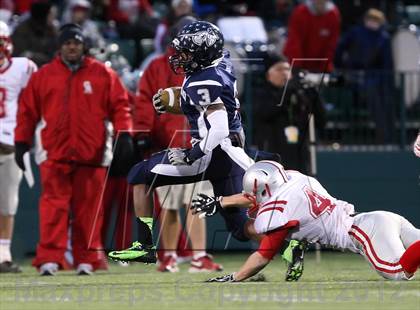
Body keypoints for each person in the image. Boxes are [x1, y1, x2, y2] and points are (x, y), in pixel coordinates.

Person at [108, 21, 306, 281]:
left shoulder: (203, 80)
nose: (181, 57)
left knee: (138, 174)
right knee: (238, 227)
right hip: (230, 153)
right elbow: (208, 105)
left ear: (202, 52)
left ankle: (145, 245)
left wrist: (193, 153)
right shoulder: (220, 62)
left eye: (187, 52)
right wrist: (182, 102)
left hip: (212, 153)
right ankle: (289, 244)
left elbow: (219, 127)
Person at [14, 23, 134, 276]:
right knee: (52, 210)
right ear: (60, 46)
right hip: (54, 153)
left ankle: (87, 259)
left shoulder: (103, 74)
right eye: (68, 43)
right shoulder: (44, 76)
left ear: (83, 46)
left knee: (88, 212)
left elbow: (121, 106)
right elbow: (27, 112)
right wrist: (21, 141)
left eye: (76, 43)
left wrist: (125, 134)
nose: (72, 47)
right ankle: (49, 258)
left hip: (92, 153)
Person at [111, 16, 222, 273]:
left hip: (199, 143)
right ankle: (170, 256)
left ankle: (198, 256)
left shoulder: (207, 67)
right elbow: (144, 101)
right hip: (169, 144)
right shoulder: (157, 66)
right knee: (171, 206)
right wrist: (142, 132)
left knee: (197, 204)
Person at [191, 161, 420, 282]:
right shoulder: (294, 178)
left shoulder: (277, 210)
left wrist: (235, 277)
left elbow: (263, 256)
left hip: (364, 232)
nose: (250, 200)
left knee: (399, 272)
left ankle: (297, 246)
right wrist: (221, 202)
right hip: (377, 219)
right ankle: (298, 245)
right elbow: (256, 194)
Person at [0, 21, 37, 273]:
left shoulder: (24, 68)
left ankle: (3, 255)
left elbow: (38, 98)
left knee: (8, 205)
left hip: (9, 144)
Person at [253, 56, 325, 174]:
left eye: (287, 69)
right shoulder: (261, 93)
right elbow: (265, 113)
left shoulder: (299, 94)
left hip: (299, 157)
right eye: (279, 69)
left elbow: (321, 121)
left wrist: (315, 95)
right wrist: (288, 90)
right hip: (273, 159)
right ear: (268, 75)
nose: (284, 73)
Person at [334, 8, 393, 143]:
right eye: (370, 19)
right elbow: (339, 50)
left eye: (376, 20)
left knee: (381, 98)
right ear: (365, 20)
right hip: (353, 77)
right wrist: (342, 67)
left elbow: (387, 63)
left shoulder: (383, 38)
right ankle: (383, 137)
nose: (372, 22)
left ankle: (384, 137)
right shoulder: (355, 32)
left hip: (374, 79)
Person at [283, 0, 340, 73]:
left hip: (319, 67)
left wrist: (325, 68)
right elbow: (294, 42)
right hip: (298, 65)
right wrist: (296, 67)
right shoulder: (300, 12)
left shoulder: (333, 15)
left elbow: (331, 45)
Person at [11, 0, 58, 67]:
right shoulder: (22, 30)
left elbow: (55, 54)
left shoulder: (53, 31)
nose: (53, 19)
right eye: (50, 15)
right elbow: (21, 55)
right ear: (43, 15)